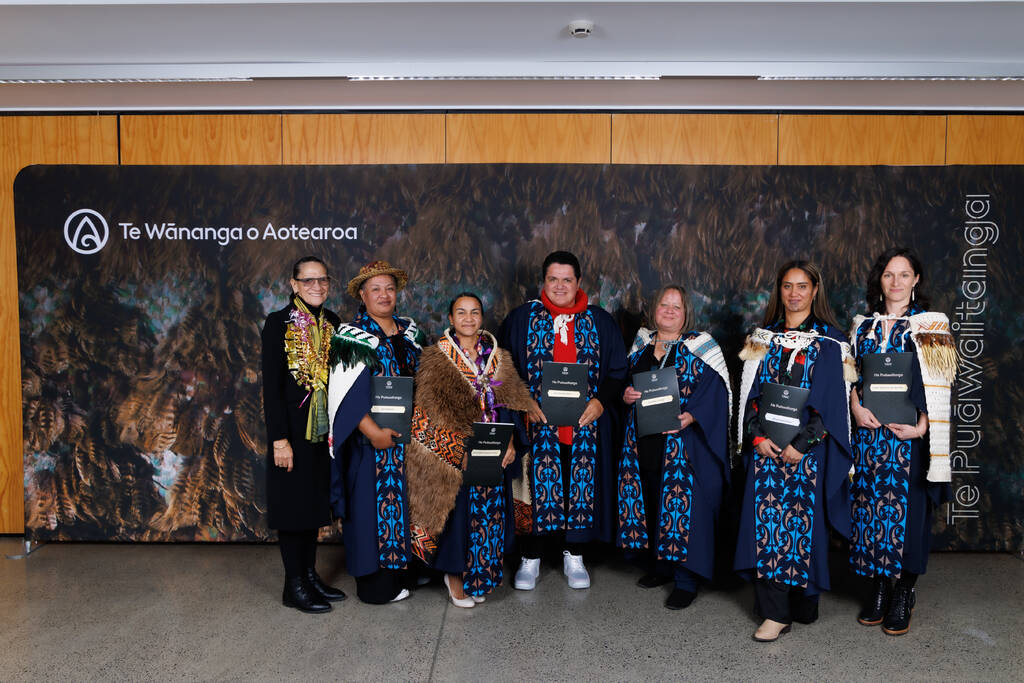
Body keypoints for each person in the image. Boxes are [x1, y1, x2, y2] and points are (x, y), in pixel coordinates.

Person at [734, 260, 854, 642]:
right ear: (779, 290)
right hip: (767, 450)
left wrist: (802, 445)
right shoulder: (762, 338)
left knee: (803, 525)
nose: (794, 293)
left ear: (815, 290)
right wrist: (756, 438)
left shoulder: (829, 341)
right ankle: (775, 613)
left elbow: (832, 404)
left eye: (802, 286)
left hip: (806, 453)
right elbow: (749, 398)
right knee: (769, 526)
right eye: (787, 285)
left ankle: (802, 599)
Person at [499, 250, 627, 590]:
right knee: (535, 490)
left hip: (583, 426)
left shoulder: (599, 321)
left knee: (578, 485)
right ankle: (531, 557)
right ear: (544, 281)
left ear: (579, 282)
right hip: (536, 426)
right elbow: (501, 369)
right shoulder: (521, 319)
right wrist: (523, 401)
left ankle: (575, 554)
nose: (559, 286)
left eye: (566, 279)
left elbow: (617, 371)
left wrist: (600, 402)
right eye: (553, 279)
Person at [405, 293, 537, 608]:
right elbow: (427, 413)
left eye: (474, 312)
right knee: (459, 514)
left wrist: (509, 443)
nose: (468, 318)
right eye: (461, 312)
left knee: (490, 512)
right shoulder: (436, 358)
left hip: (492, 449)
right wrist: (455, 450)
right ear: (450, 319)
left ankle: (482, 574)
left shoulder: (499, 358)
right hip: (454, 454)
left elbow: (510, 405)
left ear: (482, 317)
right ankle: (453, 575)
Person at [848, 248, 955, 636]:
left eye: (904, 275)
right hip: (869, 436)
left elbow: (940, 384)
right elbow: (852, 377)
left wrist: (923, 427)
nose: (895, 282)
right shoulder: (861, 327)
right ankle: (878, 589)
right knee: (869, 512)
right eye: (888, 275)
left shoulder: (931, 325)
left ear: (916, 280)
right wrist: (856, 406)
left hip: (908, 440)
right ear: (880, 280)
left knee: (908, 516)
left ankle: (904, 592)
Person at [618, 285, 731, 610]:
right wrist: (626, 395)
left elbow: (717, 393)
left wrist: (692, 416)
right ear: (654, 310)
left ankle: (686, 580)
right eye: (663, 305)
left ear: (686, 314)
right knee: (653, 504)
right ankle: (661, 567)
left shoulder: (701, 347)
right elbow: (627, 385)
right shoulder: (640, 346)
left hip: (682, 445)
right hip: (642, 443)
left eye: (676, 307)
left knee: (684, 512)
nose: (669, 311)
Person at [327, 261, 425, 604]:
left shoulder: (411, 334)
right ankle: (375, 583)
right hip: (372, 444)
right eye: (376, 290)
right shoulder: (350, 337)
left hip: (410, 441)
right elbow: (345, 394)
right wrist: (372, 433)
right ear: (362, 295)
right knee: (371, 508)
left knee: (410, 505)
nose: (384, 295)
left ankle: (406, 571)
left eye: (389, 289)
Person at [261, 255, 346, 613]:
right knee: (292, 510)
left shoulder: (333, 323)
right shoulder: (278, 324)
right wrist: (279, 439)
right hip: (291, 435)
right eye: (308, 281)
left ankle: (309, 575)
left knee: (312, 507)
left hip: (321, 433)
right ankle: (292, 584)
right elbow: (272, 385)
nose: (317, 286)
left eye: (322, 280)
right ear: (294, 285)